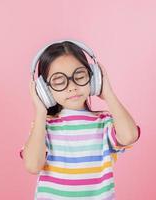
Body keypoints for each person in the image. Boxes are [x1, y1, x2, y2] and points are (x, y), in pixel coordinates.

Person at [19, 40, 141, 200]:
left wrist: (108, 94)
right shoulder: (43, 127)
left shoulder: (105, 122)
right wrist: (40, 112)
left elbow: (129, 136)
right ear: (44, 90)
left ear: (94, 77)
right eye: (59, 81)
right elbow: (33, 166)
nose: (72, 87)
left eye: (79, 76)